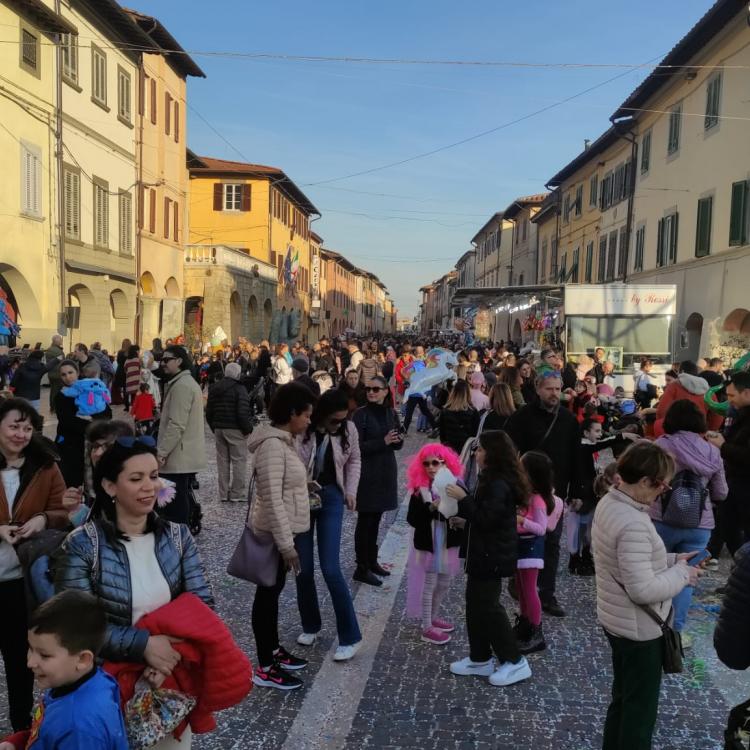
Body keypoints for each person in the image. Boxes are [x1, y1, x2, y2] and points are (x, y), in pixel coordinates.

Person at [55, 438, 214, 749]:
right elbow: (74, 626)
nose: (148, 487)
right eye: (136, 478)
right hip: (106, 690)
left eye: (153, 476)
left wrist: (168, 656)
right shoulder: (83, 545)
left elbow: (202, 606)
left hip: (167, 687)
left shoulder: (178, 537)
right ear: (110, 486)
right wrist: (144, 645)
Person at [591, 441, 700, 750]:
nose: (663, 492)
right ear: (643, 481)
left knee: (623, 698)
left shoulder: (610, 502)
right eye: (662, 485)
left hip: (618, 620)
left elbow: (626, 561)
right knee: (640, 711)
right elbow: (642, 589)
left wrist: (672, 561)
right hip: (639, 630)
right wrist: (683, 574)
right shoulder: (633, 522)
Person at [0, 398, 68, 731]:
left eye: (27, 428)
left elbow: (63, 511)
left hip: (21, 581)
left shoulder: (45, 465)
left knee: (20, 661)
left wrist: (43, 518)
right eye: (14, 426)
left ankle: (21, 729)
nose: (21, 434)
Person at [446, 430, 532, 686]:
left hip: (491, 555)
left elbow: (486, 519)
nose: (476, 453)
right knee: (475, 605)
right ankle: (480, 657)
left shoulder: (497, 483)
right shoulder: (490, 478)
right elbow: (487, 517)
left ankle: (515, 660)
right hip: (482, 552)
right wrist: (465, 521)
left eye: (481, 449)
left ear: (493, 453)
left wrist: (463, 499)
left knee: (489, 607)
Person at [247, 383, 316, 690]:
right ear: (292, 414)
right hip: (273, 535)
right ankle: (264, 667)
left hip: (282, 532)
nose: (309, 421)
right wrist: (287, 545)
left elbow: (283, 484)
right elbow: (272, 498)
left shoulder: (284, 442)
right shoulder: (273, 447)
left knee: (272, 595)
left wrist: (305, 486)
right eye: (306, 415)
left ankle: (273, 650)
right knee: (266, 597)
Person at [0, 591, 128, 750]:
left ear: (83, 659)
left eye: (44, 655)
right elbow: (50, 733)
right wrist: (19, 742)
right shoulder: (80, 681)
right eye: (30, 648)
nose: (30, 662)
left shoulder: (79, 728)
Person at [649, 400, 727, 636]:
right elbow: (721, 492)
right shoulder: (712, 451)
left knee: (656, 572)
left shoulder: (661, 445)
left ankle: (653, 628)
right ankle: (676, 632)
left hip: (661, 519)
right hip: (699, 524)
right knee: (686, 577)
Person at [294, 389, 362, 660]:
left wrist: (351, 490)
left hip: (332, 496)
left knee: (331, 568)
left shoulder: (349, 429)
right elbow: (291, 460)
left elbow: (355, 459)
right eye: (334, 420)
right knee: (303, 568)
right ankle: (310, 625)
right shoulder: (304, 428)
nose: (339, 425)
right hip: (302, 497)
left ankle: (350, 636)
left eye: (343, 419)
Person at [506, 371, 580, 617]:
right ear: (538, 389)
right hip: (526, 492)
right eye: (549, 389)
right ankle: (519, 581)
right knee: (525, 539)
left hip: (555, 494)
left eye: (557, 389)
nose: (554, 394)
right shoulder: (522, 417)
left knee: (551, 543)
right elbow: (508, 451)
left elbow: (577, 456)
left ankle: (547, 594)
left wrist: (577, 490)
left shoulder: (568, 419)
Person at [405, 443, 464, 645]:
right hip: (429, 541)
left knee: (444, 582)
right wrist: (430, 508)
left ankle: (433, 615)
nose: (431, 467)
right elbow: (412, 519)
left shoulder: (454, 485)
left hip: (448, 541)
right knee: (429, 583)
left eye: (435, 463)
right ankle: (427, 626)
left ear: (445, 464)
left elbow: (464, 509)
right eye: (426, 464)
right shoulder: (419, 490)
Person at [352, 375, 403, 586]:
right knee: (366, 521)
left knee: (376, 520)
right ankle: (361, 567)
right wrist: (383, 442)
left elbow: (396, 444)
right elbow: (356, 448)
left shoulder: (391, 413)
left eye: (375, 389)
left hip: (385, 472)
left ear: (385, 391)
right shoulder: (360, 415)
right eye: (368, 389)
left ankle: (371, 561)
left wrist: (397, 440)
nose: (371, 392)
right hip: (367, 474)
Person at [514, 451, 559, 655]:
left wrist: (522, 521)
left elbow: (541, 529)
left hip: (530, 550)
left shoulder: (538, 500)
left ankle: (535, 630)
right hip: (521, 547)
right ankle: (525, 623)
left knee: (530, 590)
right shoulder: (527, 496)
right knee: (521, 589)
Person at [157, 346, 206, 524]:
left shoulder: (182, 386)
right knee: (178, 495)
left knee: (174, 501)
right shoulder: (182, 383)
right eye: (161, 360)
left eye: (166, 360)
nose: (162, 363)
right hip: (181, 452)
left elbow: (176, 424)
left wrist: (162, 452)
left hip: (178, 453)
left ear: (178, 361)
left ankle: (178, 532)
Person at [707, 371, 750, 558]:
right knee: (727, 525)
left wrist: (723, 446)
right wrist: (721, 439)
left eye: (732, 395)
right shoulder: (740, 414)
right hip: (733, 481)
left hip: (745, 485)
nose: (729, 400)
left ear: (746, 393)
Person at [54, 359, 111, 488]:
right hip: (71, 445)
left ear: (77, 372)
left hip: (92, 444)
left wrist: (91, 419)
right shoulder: (61, 396)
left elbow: (107, 413)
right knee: (73, 482)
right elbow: (67, 421)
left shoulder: (91, 387)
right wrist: (92, 424)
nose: (68, 377)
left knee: (94, 482)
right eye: (63, 374)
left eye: (70, 372)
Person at [206, 361, 253, 503]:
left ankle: (223, 493)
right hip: (236, 429)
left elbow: (209, 412)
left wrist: (214, 427)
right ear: (237, 374)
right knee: (239, 461)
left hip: (219, 428)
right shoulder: (240, 389)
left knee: (222, 462)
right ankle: (237, 493)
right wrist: (248, 429)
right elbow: (242, 413)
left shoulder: (214, 388)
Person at [655, 360, 724, 437]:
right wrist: (707, 431)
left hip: (676, 434)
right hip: (699, 435)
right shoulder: (707, 389)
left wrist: (665, 429)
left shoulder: (675, 386)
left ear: (681, 372)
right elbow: (717, 416)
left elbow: (662, 411)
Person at [439, 379, 479, 454]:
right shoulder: (473, 412)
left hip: (449, 451)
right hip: (466, 451)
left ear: (453, 393)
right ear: (467, 394)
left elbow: (442, 435)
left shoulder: (445, 411)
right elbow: (475, 435)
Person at [44, 334, 65, 410]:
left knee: (53, 390)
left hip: (52, 373)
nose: (61, 341)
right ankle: (55, 406)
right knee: (56, 391)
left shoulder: (51, 349)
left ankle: (53, 406)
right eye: (60, 340)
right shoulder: (56, 350)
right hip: (57, 374)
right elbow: (62, 360)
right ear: (56, 341)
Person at [122, 344, 141, 410]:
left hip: (129, 379)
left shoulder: (127, 361)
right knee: (134, 394)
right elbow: (140, 368)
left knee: (128, 393)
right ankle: (134, 407)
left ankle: (127, 407)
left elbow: (125, 370)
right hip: (136, 379)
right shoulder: (138, 360)